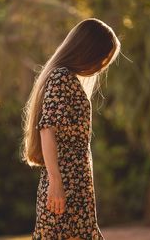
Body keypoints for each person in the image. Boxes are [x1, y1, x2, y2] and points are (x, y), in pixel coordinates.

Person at [20, 17, 121, 240]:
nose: (100, 67)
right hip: (66, 184)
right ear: (87, 51)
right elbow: (47, 129)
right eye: (101, 59)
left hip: (75, 184)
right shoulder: (61, 77)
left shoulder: (65, 78)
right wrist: (56, 183)